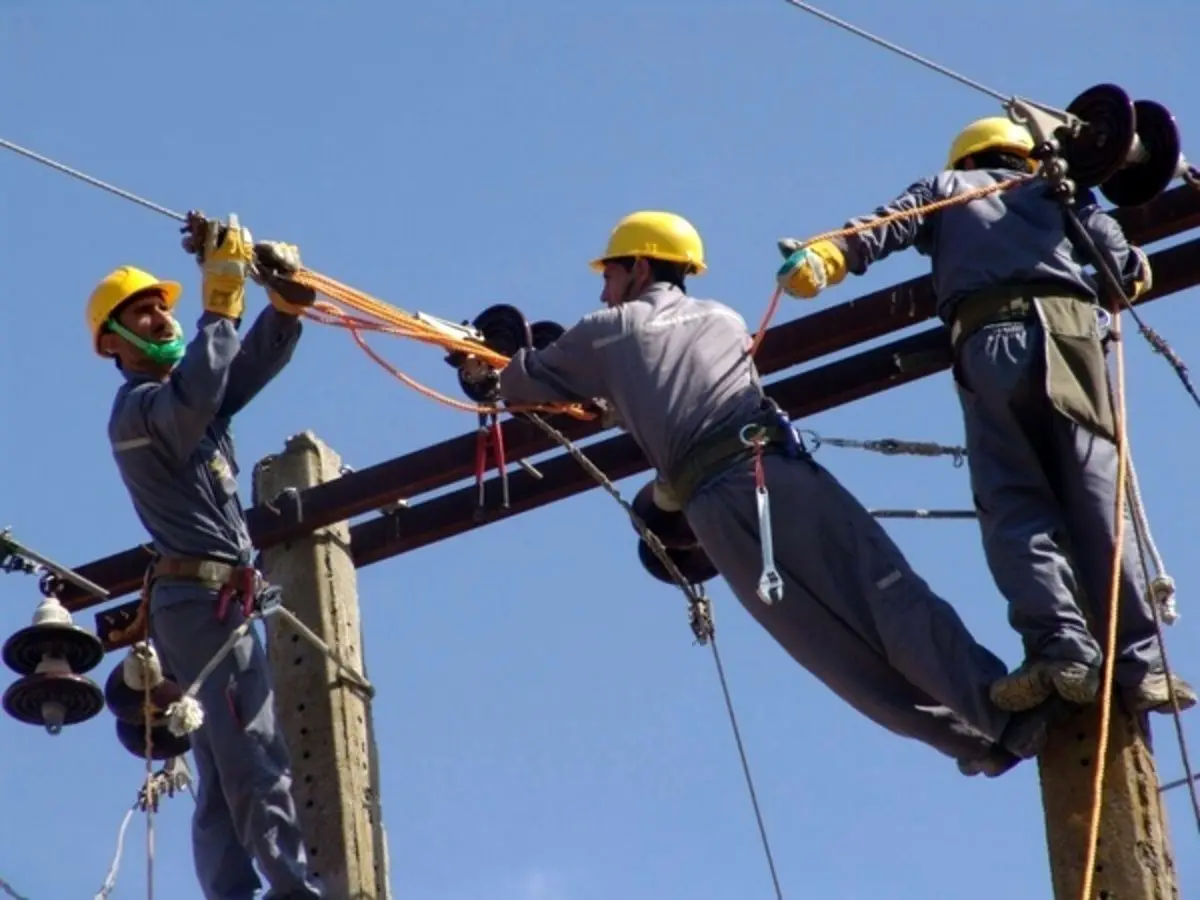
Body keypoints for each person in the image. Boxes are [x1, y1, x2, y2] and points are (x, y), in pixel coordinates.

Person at [455, 209, 1063, 778]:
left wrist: (479, 362)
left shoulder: (606, 333)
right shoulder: (723, 318)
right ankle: (1004, 713)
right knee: (885, 595)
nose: (601, 290)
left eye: (610, 274)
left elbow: (513, 383)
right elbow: (643, 387)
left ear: (640, 267)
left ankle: (978, 743)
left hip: (713, 512)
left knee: (829, 652)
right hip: (772, 471)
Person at [775, 116, 1196, 718]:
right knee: (1098, 501)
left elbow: (878, 230)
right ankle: (1142, 665)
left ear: (967, 159)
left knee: (1014, 503)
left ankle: (1062, 651)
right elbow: (1125, 271)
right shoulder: (1062, 188)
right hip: (1072, 345)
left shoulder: (946, 188)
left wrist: (823, 260)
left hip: (988, 345)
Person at [88, 212, 325, 899]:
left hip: (208, 606)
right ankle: (295, 891)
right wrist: (218, 301)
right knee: (253, 754)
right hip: (201, 605)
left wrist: (283, 300)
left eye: (166, 309)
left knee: (223, 776)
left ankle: (232, 893)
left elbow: (241, 369)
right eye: (145, 313)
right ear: (113, 341)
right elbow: (201, 388)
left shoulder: (186, 404)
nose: (163, 320)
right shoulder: (140, 414)